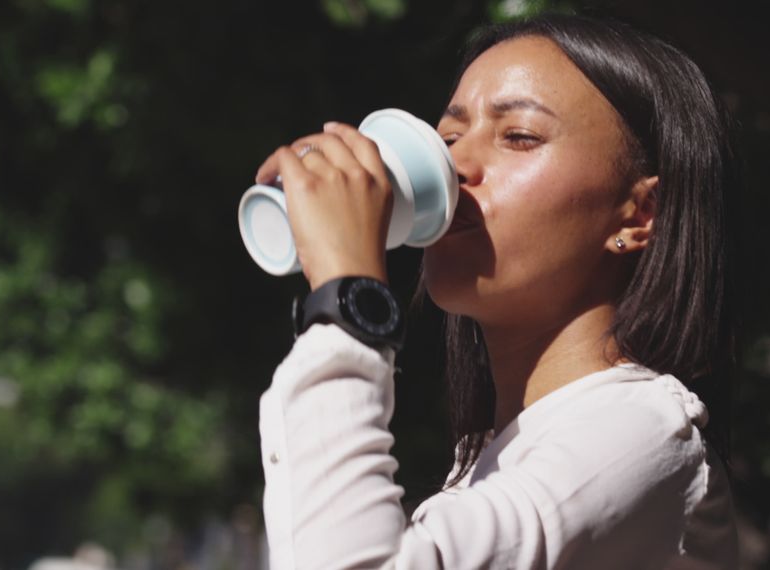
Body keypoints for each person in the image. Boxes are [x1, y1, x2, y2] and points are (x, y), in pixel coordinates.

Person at [253, 13, 739, 570]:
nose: (455, 164)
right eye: (449, 137)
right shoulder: (492, 460)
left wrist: (347, 305)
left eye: (519, 137)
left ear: (640, 215)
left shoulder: (644, 430)